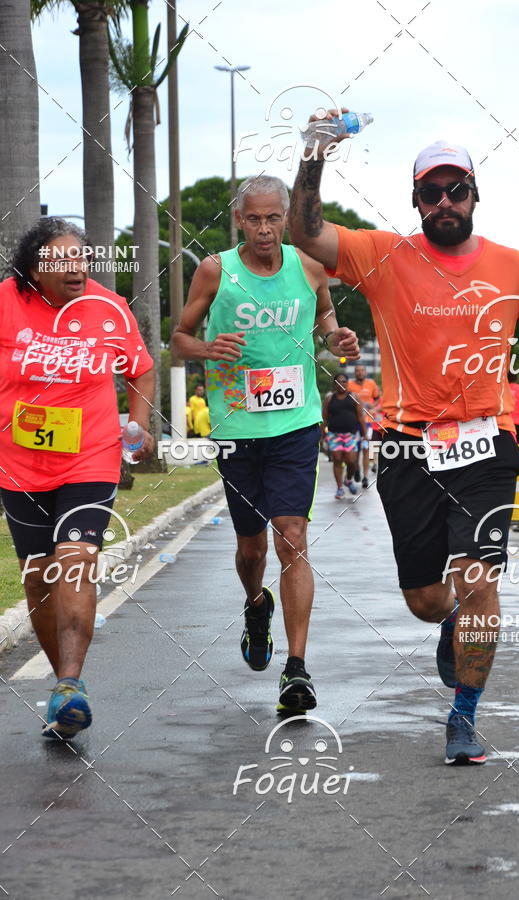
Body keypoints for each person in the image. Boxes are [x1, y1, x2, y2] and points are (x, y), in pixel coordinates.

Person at [289, 124, 519, 765]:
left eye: (457, 189)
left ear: (475, 194)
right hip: (407, 448)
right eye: (432, 192)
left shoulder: (511, 266)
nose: (445, 201)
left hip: (486, 444)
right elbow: (306, 232)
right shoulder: (382, 254)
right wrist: (313, 157)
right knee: (428, 600)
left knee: (478, 578)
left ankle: (464, 714)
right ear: (417, 201)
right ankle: (450, 623)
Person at [173, 175, 359, 713]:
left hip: (296, 424)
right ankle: (256, 604)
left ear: (286, 218)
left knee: (292, 537)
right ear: (239, 220)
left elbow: (325, 316)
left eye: (273, 218)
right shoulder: (216, 271)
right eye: (253, 219)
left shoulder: (310, 265)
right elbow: (179, 339)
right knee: (251, 548)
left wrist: (337, 337)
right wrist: (207, 349)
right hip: (238, 428)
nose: (263, 229)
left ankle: (296, 669)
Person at [0, 217, 155, 739]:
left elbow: (140, 367)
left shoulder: (107, 308)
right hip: (19, 463)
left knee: (76, 561)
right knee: (39, 577)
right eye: (62, 259)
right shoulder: (6, 302)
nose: (76, 268)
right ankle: (62, 689)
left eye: (81, 258)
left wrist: (139, 422)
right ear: (33, 269)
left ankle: (69, 683)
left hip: (90, 455)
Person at [322, 372, 366, 499]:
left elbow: (360, 417)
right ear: (334, 384)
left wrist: (364, 435)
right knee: (337, 460)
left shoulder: (354, 397)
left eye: (344, 381)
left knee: (351, 461)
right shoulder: (329, 399)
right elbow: (325, 418)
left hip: (351, 435)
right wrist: (321, 436)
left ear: (347, 383)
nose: (341, 384)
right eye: (338, 381)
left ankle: (348, 479)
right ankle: (340, 488)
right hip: (334, 434)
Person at [347, 364, 380, 487]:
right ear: (355, 373)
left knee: (366, 449)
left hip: (368, 422)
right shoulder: (349, 385)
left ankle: (365, 477)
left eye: (362, 371)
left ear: (365, 372)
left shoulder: (371, 384)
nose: (360, 373)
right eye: (357, 371)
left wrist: (373, 407)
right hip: (354, 421)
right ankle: (356, 469)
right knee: (355, 449)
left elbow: (377, 398)